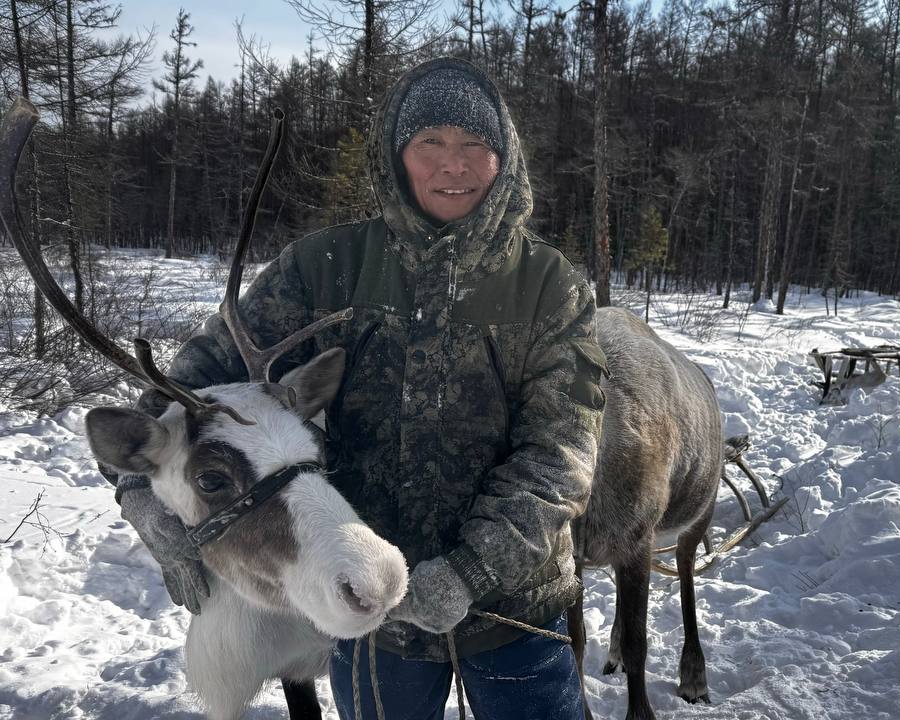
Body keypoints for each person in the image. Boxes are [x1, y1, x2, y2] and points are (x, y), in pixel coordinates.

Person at [111, 57, 606, 719]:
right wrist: (141, 490)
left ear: (504, 158)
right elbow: (183, 389)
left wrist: (472, 571)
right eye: (429, 142)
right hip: (370, 605)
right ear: (396, 156)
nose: (452, 164)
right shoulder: (322, 268)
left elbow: (560, 456)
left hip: (515, 606)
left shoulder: (550, 285)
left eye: (474, 144)